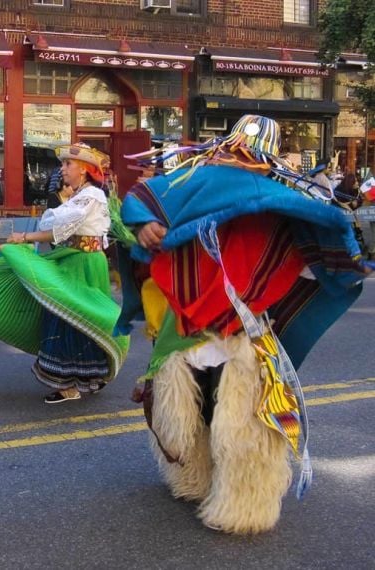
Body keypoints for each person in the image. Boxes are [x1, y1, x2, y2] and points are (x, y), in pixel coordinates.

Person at [121, 115, 367, 534]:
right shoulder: (197, 183)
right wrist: (144, 225)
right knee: (193, 412)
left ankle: (242, 504)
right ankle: (197, 481)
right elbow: (142, 200)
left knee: (238, 422)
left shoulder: (277, 199)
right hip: (189, 327)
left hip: (244, 328)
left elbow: (317, 254)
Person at [0, 143, 130, 404]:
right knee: (73, 316)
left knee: (69, 315)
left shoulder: (90, 196)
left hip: (81, 262)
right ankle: (85, 378)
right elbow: (63, 228)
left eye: (67, 165)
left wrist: (24, 236)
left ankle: (70, 384)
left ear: (83, 170)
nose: (63, 169)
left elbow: (61, 229)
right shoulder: (82, 195)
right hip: (76, 258)